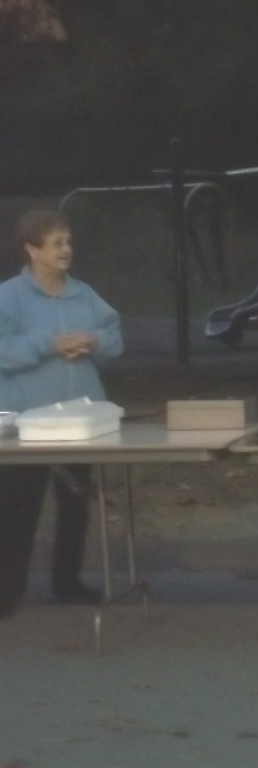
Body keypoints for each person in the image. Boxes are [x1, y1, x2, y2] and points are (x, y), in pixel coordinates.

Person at [0, 209, 124, 618]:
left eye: (68, 242)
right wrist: (47, 344)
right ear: (32, 249)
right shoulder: (9, 298)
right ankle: (7, 590)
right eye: (56, 244)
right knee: (20, 504)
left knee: (75, 501)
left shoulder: (83, 294)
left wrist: (93, 340)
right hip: (28, 421)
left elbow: (114, 336)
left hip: (81, 421)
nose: (66, 250)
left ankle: (66, 581)